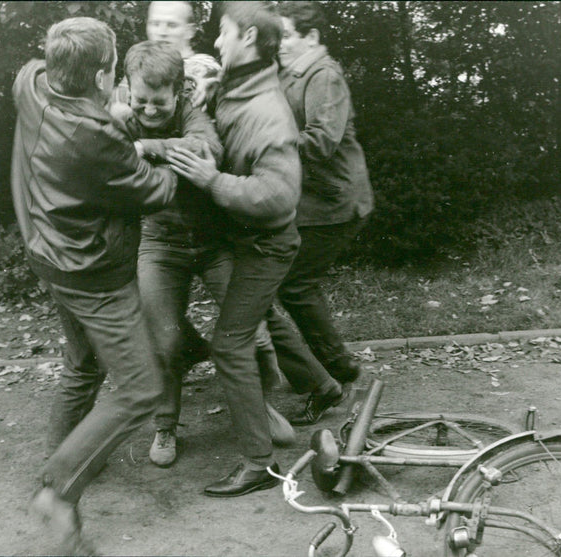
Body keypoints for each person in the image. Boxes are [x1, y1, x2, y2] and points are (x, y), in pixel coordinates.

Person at [11, 17, 177, 553]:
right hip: (93, 273)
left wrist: (121, 122)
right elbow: (151, 191)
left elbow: (100, 144)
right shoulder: (95, 135)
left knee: (82, 367)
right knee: (140, 389)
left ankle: (62, 468)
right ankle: (57, 491)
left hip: (48, 254)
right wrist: (173, 154)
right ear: (105, 75)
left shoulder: (30, 82)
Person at [115, 40, 294, 468]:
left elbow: (207, 150)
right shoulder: (120, 116)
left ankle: (257, 409)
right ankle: (166, 424)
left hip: (214, 244)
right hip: (159, 244)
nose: (149, 110)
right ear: (127, 88)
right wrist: (127, 130)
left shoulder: (193, 114)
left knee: (247, 335)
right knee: (165, 339)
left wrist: (148, 148)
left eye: (159, 101)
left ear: (178, 91)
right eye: (140, 100)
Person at [166, 0, 302, 497]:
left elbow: (278, 195)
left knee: (230, 343)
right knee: (241, 340)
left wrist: (213, 180)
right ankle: (285, 410)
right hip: (241, 239)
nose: (216, 42)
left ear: (247, 38)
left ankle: (258, 464)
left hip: (265, 246)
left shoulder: (267, 111)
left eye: (223, 33)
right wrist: (202, 96)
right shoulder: (241, 85)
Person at [268, 1, 375, 421]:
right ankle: (336, 368)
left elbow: (321, 141)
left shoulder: (323, 74)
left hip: (335, 201)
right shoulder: (291, 72)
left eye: (286, 36)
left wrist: (265, 143)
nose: (277, 45)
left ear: (311, 37)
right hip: (311, 202)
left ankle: (338, 371)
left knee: (294, 285)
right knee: (294, 284)